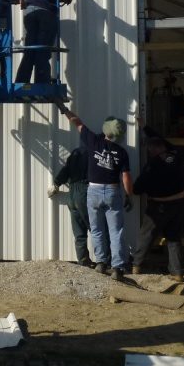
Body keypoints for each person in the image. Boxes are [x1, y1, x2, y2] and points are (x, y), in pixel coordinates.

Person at [57, 104, 132, 282]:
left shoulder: (93, 142)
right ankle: (117, 267)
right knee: (116, 232)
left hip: (94, 190)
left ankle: (100, 263)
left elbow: (77, 123)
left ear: (106, 130)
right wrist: (129, 195)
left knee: (97, 230)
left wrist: (65, 110)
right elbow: (126, 177)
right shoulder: (122, 152)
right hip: (113, 191)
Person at [131, 128, 184, 281]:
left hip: (159, 205)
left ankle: (136, 266)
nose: (148, 152)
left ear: (155, 148)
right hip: (178, 203)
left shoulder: (152, 166)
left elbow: (137, 189)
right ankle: (177, 272)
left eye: (150, 148)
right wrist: (147, 129)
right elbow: (165, 141)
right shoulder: (177, 156)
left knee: (146, 235)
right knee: (174, 238)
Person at [48, 145, 92, 267]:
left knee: (79, 231)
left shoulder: (75, 153)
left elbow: (65, 170)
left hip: (71, 194)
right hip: (84, 191)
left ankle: (83, 260)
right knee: (96, 228)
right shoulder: (94, 152)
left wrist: (56, 184)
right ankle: (106, 261)